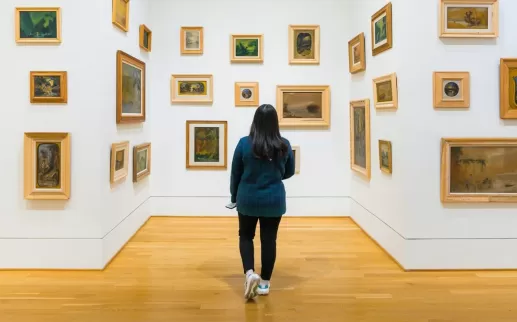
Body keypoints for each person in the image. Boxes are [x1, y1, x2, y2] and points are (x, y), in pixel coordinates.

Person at [230, 104, 295, 300]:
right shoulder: (283, 144)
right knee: (269, 240)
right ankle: (265, 283)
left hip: (247, 198)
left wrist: (234, 197)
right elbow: (289, 171)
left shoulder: (243, 143)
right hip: (273, 200)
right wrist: (274, 176)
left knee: (246, 236)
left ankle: (250, 273)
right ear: (275, 122)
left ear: (255, 121)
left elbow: (236, 174)